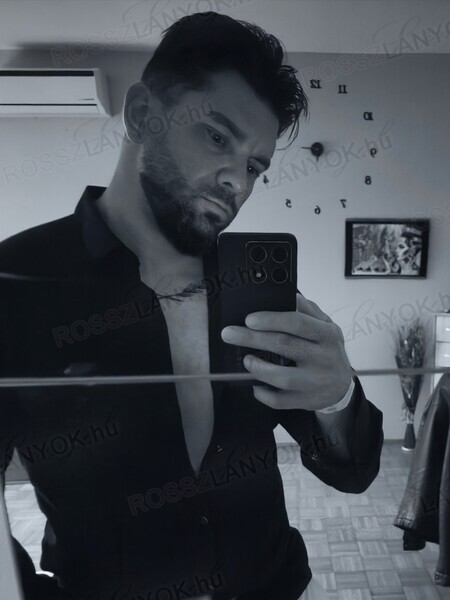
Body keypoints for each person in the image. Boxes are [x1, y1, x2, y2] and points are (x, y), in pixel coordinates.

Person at [0, 11, 383, 600]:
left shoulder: (253, 289)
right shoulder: (14, 286)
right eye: (217, 137)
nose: (238, 181)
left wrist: (338, 397)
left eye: (255, 166)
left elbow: (353, 471)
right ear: (141, 114)